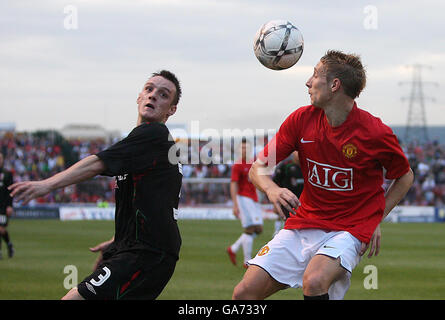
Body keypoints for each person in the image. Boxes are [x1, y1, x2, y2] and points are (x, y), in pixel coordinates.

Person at [232, 50, 414, 300]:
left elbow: (404, 176)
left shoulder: (374, 132)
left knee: (315, 280)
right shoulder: (300, 120)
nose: (308, 81)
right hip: (304, 223)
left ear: (334, 85)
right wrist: (272, 189)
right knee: (243, 293)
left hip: (349, 230)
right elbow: (258, 167)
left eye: (315, 74)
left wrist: (375, 218)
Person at [9, 70, 183, 300]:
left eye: (163, 95)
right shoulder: (148, 144)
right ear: (139, 96)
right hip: (145, 250)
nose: (153, 96)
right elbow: (160, 206)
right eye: (149, 89)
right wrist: (117, 241)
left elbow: (97, 163)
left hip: (145, 254)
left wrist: (47, 185)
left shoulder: (154, 134)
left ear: (171, 110)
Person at [227, 138, 263, 268]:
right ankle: (246, 261)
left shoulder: (254, 162)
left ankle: (233, 248)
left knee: (259, 229)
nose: (244, 150)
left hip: (254, 198)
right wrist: (235, 204)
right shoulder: (237, 165)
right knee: (250, 228)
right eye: (241, 148)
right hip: (244, 198)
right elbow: (233, 184)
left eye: (246, 148)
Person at [271, 151, 303, 236]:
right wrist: (276, 201)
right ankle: (277, 232)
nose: (299, 153)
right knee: (290, 225)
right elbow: (275, 182)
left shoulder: (308, 165)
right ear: (293, 152)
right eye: (297, 151)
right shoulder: (285, 166)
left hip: (303, 200)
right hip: (288, 200)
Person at [0, 153, 15, 259]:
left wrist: (10, 206)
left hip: (3, 207)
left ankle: (9, 244)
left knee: (1, 230)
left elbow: (11, 192)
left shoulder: (7, 174)